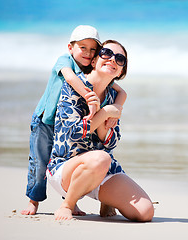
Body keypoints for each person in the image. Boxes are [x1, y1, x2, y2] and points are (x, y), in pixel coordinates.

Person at [21, 26, 127, 215]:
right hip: (46, 120)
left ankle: (73, 201)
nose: (88, 53)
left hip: (66, 126)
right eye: (82, 47)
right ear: (70, 47)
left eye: (93, 49)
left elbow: (121, 91)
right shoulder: (65, 61)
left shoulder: (91, 68)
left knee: (71, 156)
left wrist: (115, 108)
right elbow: (70, 78)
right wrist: (91, 99)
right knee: (40, 162)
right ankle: (33, 201)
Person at [46, 40, 154, 222]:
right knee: (101, 158)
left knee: (145, 212)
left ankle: (106, 199)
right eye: (106, 53)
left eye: (120, 59)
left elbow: (111, 142)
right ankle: (67, 205)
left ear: (121, 71)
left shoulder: (113, 96)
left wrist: (107, 115)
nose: (112, 59)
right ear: (94, 61)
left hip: (102, 169)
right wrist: (105, 113)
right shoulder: (74, 86)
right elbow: (72, 135)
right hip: (66, 168)